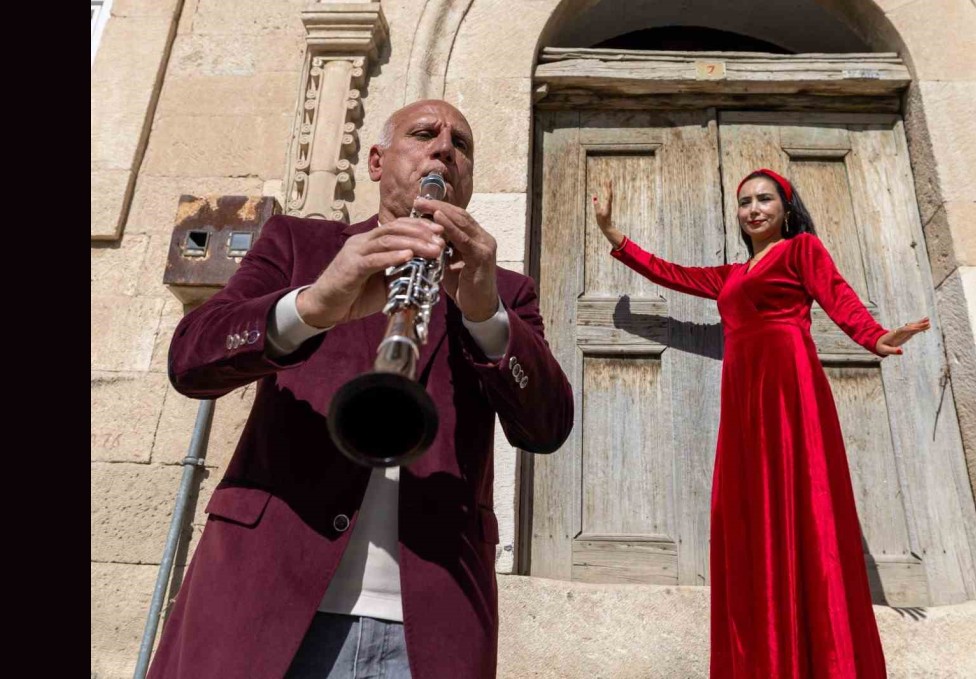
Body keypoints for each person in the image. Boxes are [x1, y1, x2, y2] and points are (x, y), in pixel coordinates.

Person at [149, 100, 574, 679]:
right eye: (424, 134)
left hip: (430, 619)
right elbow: (190, 359)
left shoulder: (504, 289)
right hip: (265, 593)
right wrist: (315, 304)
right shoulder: (299, 245)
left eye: (462, 145)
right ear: (376, 161)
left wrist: (486, 316)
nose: (445, 149)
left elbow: (547, 426)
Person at [593, 169, 929, 678]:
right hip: (744, 394)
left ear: (785, 208)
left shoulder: (802, 251)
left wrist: (875, 337)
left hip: (789, 382)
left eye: (765, 199)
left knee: (802, 499)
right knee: (752, 510)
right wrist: (613, 233)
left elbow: (838, 296)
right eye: (746, 202)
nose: (754, 209)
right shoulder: (731, 276)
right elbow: (671, 273)